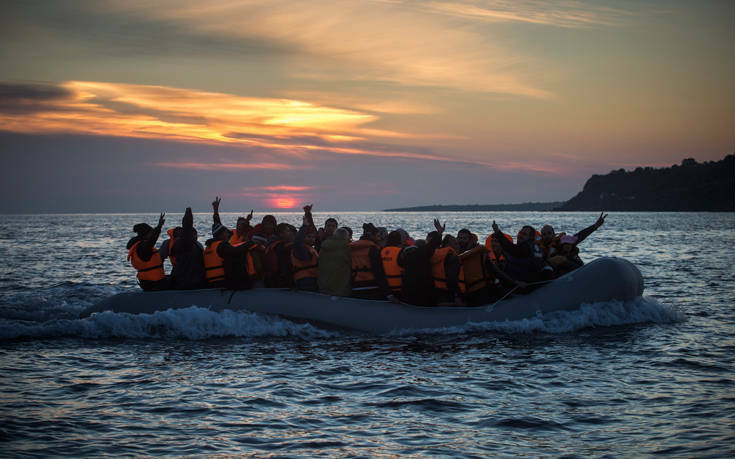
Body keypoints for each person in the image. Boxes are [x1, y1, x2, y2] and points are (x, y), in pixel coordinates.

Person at [399, 219, 445, 306]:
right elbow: (431, 247)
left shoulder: (403, 257)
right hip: (422, 294)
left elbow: (430, 246)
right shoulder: (421, 255)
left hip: (407, 294)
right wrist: (439, 233)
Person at [350, 223, 395, 301]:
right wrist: (389, 294)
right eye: (377, 236)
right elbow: (379, 272)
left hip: (355, 287)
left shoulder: (351, 247)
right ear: (373, 236)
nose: (378, 238)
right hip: (372, 288)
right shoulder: (373, 249)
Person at [203, 223, 254, 290]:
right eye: (226, 233)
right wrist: (250, 243)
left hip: (210, 283)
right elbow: (236, 251)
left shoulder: (208, 247)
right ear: (222, 234)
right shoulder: (221, 246)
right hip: (222, 282)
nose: (228, 235)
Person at [126, 213, 169, 291]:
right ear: (145, 235)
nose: (152, 234)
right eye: (150, 233)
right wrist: (159, 226)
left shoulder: (139, 246)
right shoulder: (143, 247)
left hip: (148, 281)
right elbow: (152, 240)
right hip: (153, 283)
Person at [168, 207, 206, 290]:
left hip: (195, 280)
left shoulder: (197, 245)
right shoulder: (183, 243)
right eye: (192, 234)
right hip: (186, 281)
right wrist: (188, 216)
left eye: (196, 234)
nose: (195, 236)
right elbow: (187, 228)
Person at [291, 205, 319, 291]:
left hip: (312, 279)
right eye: (309, 237)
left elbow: (313, 229)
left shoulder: (310, 248)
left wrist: (308, 214)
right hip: (305, 280)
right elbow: (297, 242)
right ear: (303, 237)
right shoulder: (301, 249)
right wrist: (304, 226)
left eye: (313, 237)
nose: (312, 239)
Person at [318, 227, 352, 297]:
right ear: (346, 237)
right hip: (341, 288)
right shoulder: (347, 248)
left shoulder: (324, 246)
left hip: (323, 285)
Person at [431, 234, 463, 305]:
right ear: (448, 245)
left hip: (435, 293)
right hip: (448, 295)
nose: (458, 246)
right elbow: (452, 279)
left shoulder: (436, 255)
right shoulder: (453, 258)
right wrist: (457, 296)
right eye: (455, 244)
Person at [264, 222, 296, 288]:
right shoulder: (280, 247)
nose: (290, 233)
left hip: (275, 279)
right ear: (281, 234)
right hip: (280, 280)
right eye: (287, 231)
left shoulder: (274, 245)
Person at [381, 230, 405, 297]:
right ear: (400, 240)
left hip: (385, 290)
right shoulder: (402, 252)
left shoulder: (381, 251)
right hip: (399, 290)